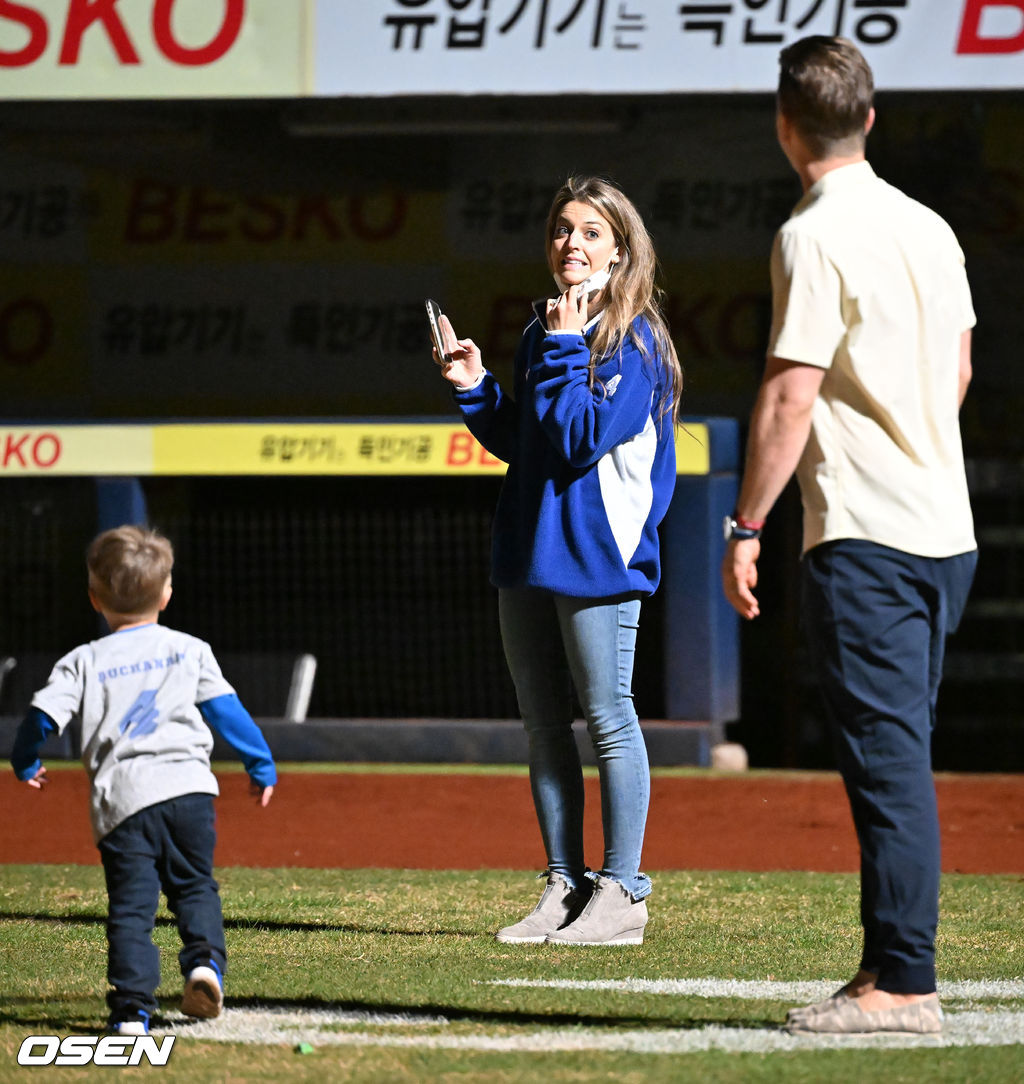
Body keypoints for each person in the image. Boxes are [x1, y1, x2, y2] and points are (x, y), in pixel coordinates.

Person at [721, 36, 977, 1034]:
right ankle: (885, 966)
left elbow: (791, 392)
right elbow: (954, 373)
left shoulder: (810, 232)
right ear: (868, 118)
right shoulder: (928, 223)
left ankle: (904, 984)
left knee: (888, 763)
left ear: (786, 128)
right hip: (942, 529)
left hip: (865, 532)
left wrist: (745, 523)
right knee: (893, 755)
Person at [434, 176, 683, 946]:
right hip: (530, 548)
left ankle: (623, 895)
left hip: (599, 557)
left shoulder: (634, 339)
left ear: (620, 248)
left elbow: (581, 440)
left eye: (590, 232)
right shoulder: (549, 330)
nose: (570, 244)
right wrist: (477, 388)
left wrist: (571, 345)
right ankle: (563, 887)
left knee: (608, 719)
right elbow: (533, 443)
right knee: (544, 726)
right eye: (561, 231)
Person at [10, 525, 277, 1035]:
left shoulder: (82, 661)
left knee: (131, 909)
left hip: (124, 801)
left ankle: (132, 1010)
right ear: (167, 592)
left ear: (94, 598)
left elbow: (40, 720)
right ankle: (204, 966)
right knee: (196, 887)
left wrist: (25, 763)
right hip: (189, 791)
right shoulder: (190, 649)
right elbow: (228, 714)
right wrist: (260, 763)